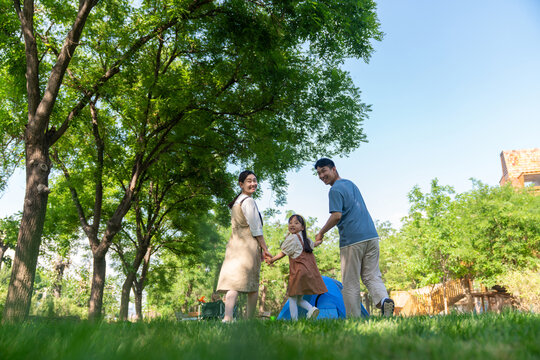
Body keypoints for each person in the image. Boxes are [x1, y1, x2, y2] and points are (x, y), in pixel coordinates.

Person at [313, 158, 395, 317]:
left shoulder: (335, 190)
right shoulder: (350, 184)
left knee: (350, 283)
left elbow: (336, 216)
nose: (322, 175)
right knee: (372, 275)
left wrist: (321, 232)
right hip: (371, 236)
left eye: (324, 171)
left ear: (334, 169)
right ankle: (384, 301)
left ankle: (354, 319)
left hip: (352, 240)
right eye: (319, 173)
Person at [216, 170, 273, 322]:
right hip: (247, 247)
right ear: (241, 184)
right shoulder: (248, 201)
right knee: (252, 285)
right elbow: (256, 229)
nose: (253, 183)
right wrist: (265, 249)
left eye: (254, 180)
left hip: (234, 247)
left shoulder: (236, 202)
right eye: (249, 181)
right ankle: (248, 321)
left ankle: (227, 319)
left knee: (233, 284)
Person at [268, 214, 327, 320]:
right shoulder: (307, 240)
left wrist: (272, 260)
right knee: (298, 298)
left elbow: (283, 253)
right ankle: (312, 309)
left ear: (302, 227)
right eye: (290, 223)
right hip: (309, 272)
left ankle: (294, 322)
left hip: (298, 272)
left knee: (292, 298)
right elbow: (315, 244)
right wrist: (320, 241)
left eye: (296, 223)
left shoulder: (293, 238)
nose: (292, 225)